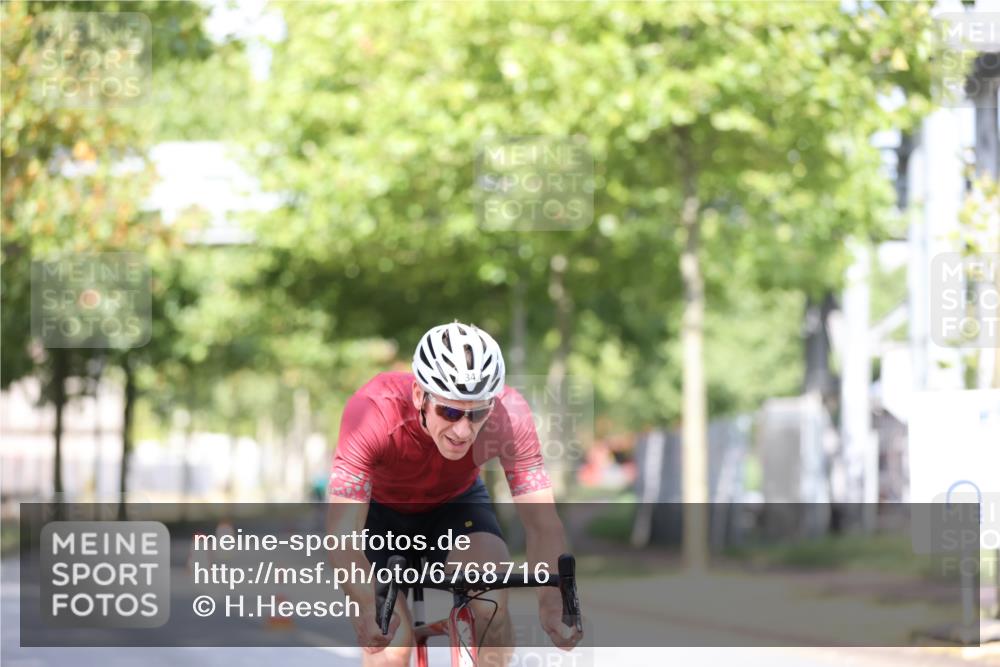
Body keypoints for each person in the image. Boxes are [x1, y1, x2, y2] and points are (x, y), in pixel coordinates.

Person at [326, 321, 583, 667]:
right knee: (392, 646)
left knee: (490, 603)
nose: (463, 430)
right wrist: (365, 604)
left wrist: (552, 606)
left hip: (456, 505)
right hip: (380, 515)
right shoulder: (372, 410)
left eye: (477, 413)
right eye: (449, 411)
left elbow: (542, 524)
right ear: (419, 395)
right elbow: (342, 536)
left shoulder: (510, 415)